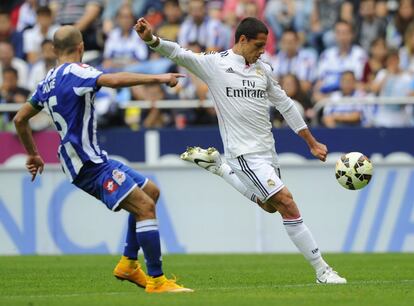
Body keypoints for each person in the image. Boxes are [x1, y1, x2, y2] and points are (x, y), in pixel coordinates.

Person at [136, 17, 347, 284]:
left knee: (271, 206)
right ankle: (323, 271)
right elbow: (178, 53)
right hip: (243, 152)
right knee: (286, 202)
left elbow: (286, 105)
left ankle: (219, 167)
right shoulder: (215, 64)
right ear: (242, 40)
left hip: (267, 151)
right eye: (258, 45)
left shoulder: (263, 70)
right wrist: (151, 40)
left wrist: (311, 141)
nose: (262, 51)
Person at [13, 25, 192, 293]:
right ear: (81, 47)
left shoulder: (46, 80)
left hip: (93, 159)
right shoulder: (78, 71)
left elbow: (19, 119)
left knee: (150, 192)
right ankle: (157, 281)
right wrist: (158, 78)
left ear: (53, 50)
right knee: (144, 208)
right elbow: (114, 80)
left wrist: (33, 153)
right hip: (88, 163)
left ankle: (129, 264)